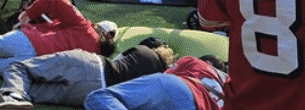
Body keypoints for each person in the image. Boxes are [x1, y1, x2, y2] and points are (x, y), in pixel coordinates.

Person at [0, 41, 175, 110]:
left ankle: (11, 96)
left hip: (92, 65)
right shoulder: (158, 81)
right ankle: (8, 99)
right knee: (33, 92)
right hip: (94, 94)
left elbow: (118, 58)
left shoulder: (144, 52)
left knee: (20, 67)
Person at [82, 55, 228, 110]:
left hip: (179, 87)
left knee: (99, 97)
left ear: (208, 62)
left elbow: (166, 77)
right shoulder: (230, 84)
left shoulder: (196, 62)